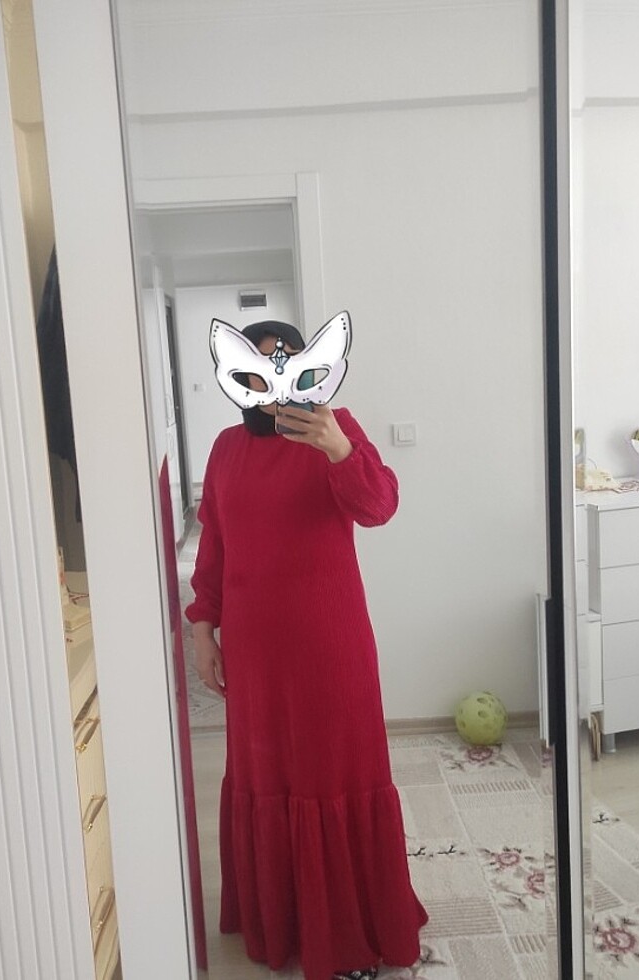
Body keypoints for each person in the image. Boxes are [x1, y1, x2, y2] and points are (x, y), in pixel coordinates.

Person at [185, 320, 428, 980]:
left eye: (288, 364)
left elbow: (379, 507)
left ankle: (348, 935)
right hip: (255, 652)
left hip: (330, 644)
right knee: (268, 776)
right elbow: (214, 545)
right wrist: (203, 629)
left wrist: (339, 450)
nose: (274, 383)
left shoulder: (335, 428)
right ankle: (281, 921)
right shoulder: (226, 448)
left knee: (333, 775)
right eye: (256, 369)